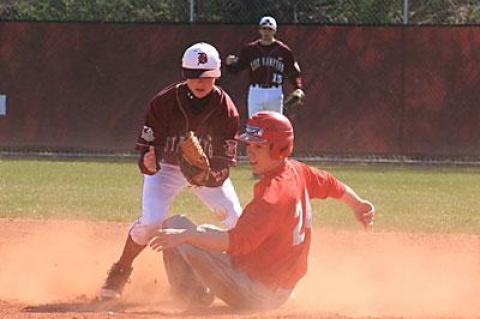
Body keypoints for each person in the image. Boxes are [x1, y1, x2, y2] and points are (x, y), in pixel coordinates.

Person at [149, 111, 376, 310]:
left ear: (280, 148)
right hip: (279, 287)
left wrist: (187, 236)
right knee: (203, 231)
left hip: (254, 293)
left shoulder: (272, 197)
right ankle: (201, 288)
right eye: (248, 145)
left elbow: (235, 242)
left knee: (177, 227)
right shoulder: (296, 170)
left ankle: (192, 299)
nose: (251, 153)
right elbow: (331, 184)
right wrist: (357, 203)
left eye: (258, 146)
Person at [98, 42, 243, 300]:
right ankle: (119, 271)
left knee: (237, 221)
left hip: (205, 171)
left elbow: (224, 164)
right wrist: (148, 162)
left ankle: (249, 277)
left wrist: (207, 176)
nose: (200, 82)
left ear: (217, 76)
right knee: (151, 222)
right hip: (168, 169)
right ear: (184, 75)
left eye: (207, 76)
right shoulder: (163, 103)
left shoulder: (226, 109)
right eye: (193, 75)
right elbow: (146, 153)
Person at [225, 16, 304, 116]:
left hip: (275, 91)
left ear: (274, 31)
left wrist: (298, 87)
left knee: (275, 124)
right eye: (264, 28)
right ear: (259, 30)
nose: (267, 32)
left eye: (270, 29)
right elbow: (238, 68)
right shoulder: (250, 49)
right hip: (256, 91)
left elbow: (292, 71)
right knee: (255, 125)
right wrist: (229, 64)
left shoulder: (284, 51)